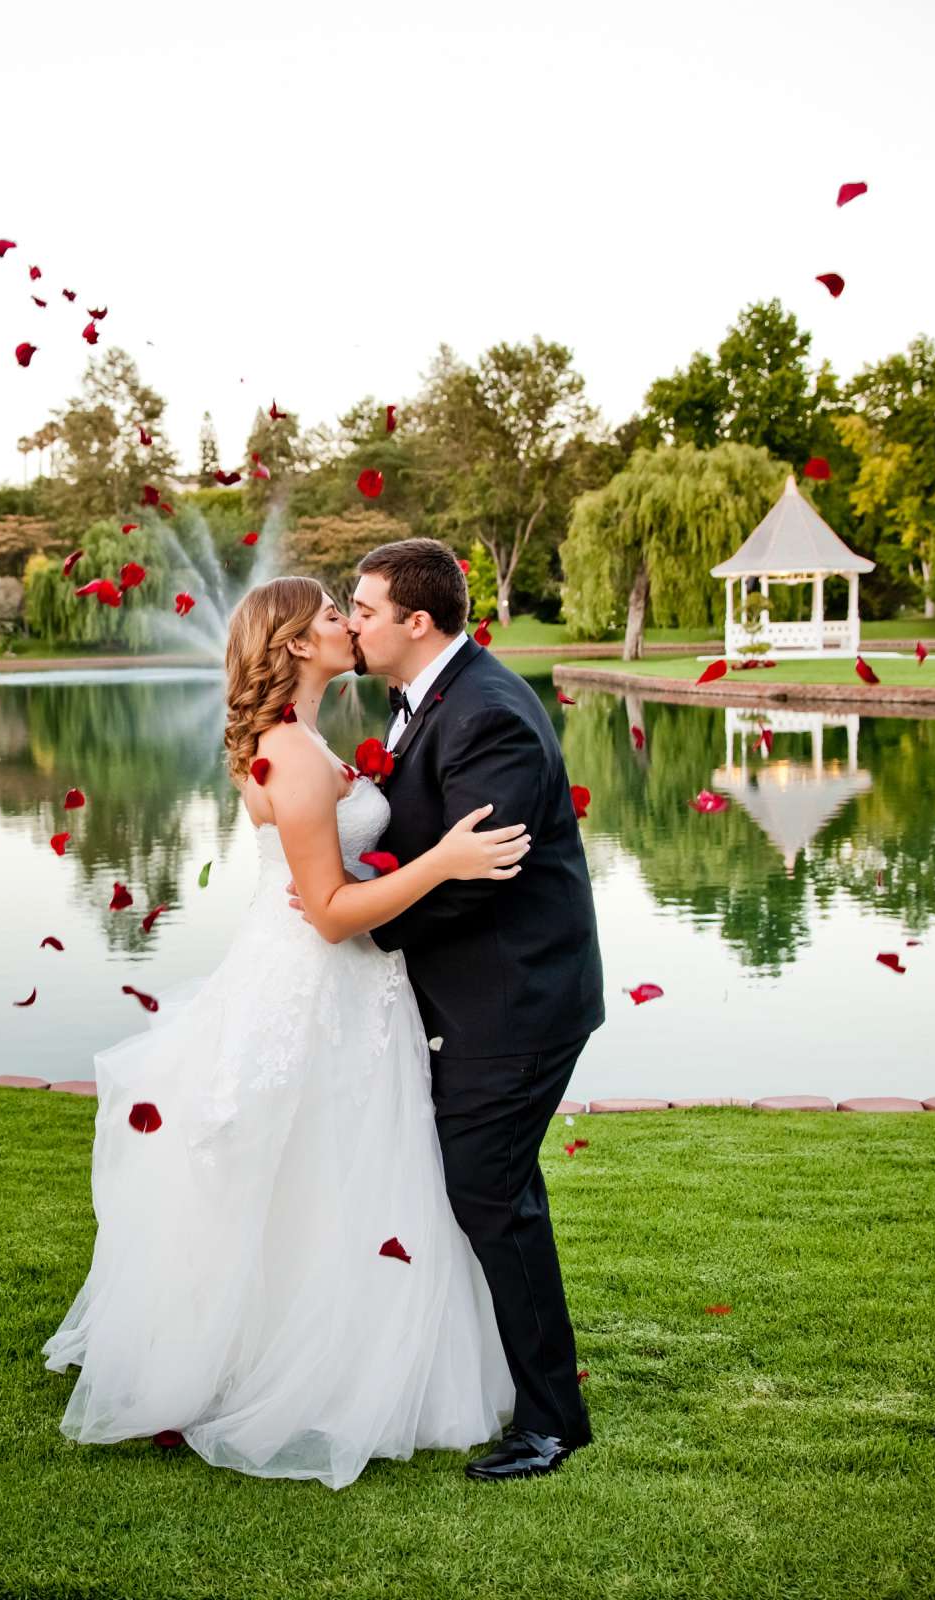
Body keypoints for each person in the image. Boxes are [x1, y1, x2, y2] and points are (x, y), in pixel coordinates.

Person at [42, 575, 528, 1490]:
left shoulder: (300, 742)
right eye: (336, 615)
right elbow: (335, 913)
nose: (352, 623)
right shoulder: (294, 758)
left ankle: (333, 1351)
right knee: (327, 1165)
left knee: (329, 1166)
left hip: (331, 984)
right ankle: (308, 1373)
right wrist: (447, 860)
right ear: (299, 643)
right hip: (315, 983)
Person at [330, 537, 605, 1480]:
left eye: (362, 609)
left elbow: (481, 876)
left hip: (516, 996)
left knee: (489, 1190)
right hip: (481, 991)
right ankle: (523, 1390)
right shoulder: (434, 697)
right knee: (490, 1189)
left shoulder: (485, 714)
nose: (351, 621)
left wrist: (354, 927)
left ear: (417, 621)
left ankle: (549, 1423)